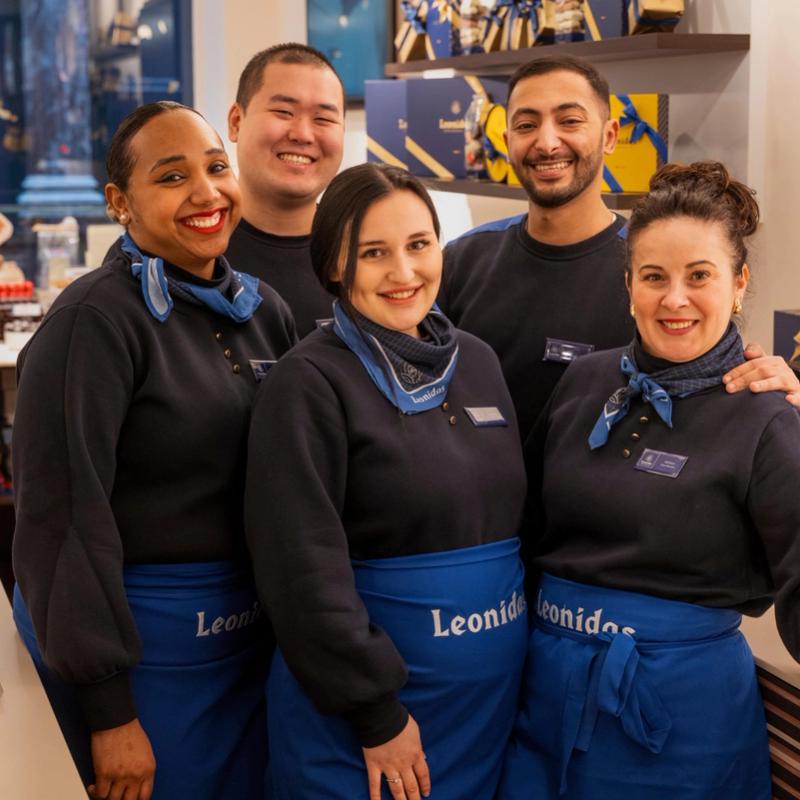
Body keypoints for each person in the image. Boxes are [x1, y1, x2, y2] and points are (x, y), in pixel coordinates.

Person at [12, 101, 297, 800]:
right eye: (172, 177)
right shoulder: (92, 322)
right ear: (120, 203)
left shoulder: (264, 311)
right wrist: (110, 713)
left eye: (216, 168)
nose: (206, 192)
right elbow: (62, 523)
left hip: (242, 642)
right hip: (139, 652)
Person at [500, 161, 800, 799]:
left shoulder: (767, 417)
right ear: (629, 284)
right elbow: (521, 527)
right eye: (654, 276)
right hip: (547, 689)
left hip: (680, 715)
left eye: (700, 276)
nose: (675, 299)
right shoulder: (583, 381)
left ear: (739, 283)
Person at [245, 163, 528, 800]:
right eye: (374, 253)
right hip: (370, 725)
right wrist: (376, 714)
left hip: (483, 713)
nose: (404, 272)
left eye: (419, 244)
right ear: (335, 266)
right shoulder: (308, 383)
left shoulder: (478, 362)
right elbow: (299, 569)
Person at [438, 55, 800, 441]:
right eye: (527, 125)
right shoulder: (463, 260)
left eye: (570, 121)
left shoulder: (656, 270)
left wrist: (778, 386)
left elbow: (718, 379)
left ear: (610, 136)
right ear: (507, 141)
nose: (547, 143)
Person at [225, 43, 346, 337]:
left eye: (323, 119)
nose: (303, 134)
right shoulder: (183, 251)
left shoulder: (363, 254)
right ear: (236, 122)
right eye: (283, 111)